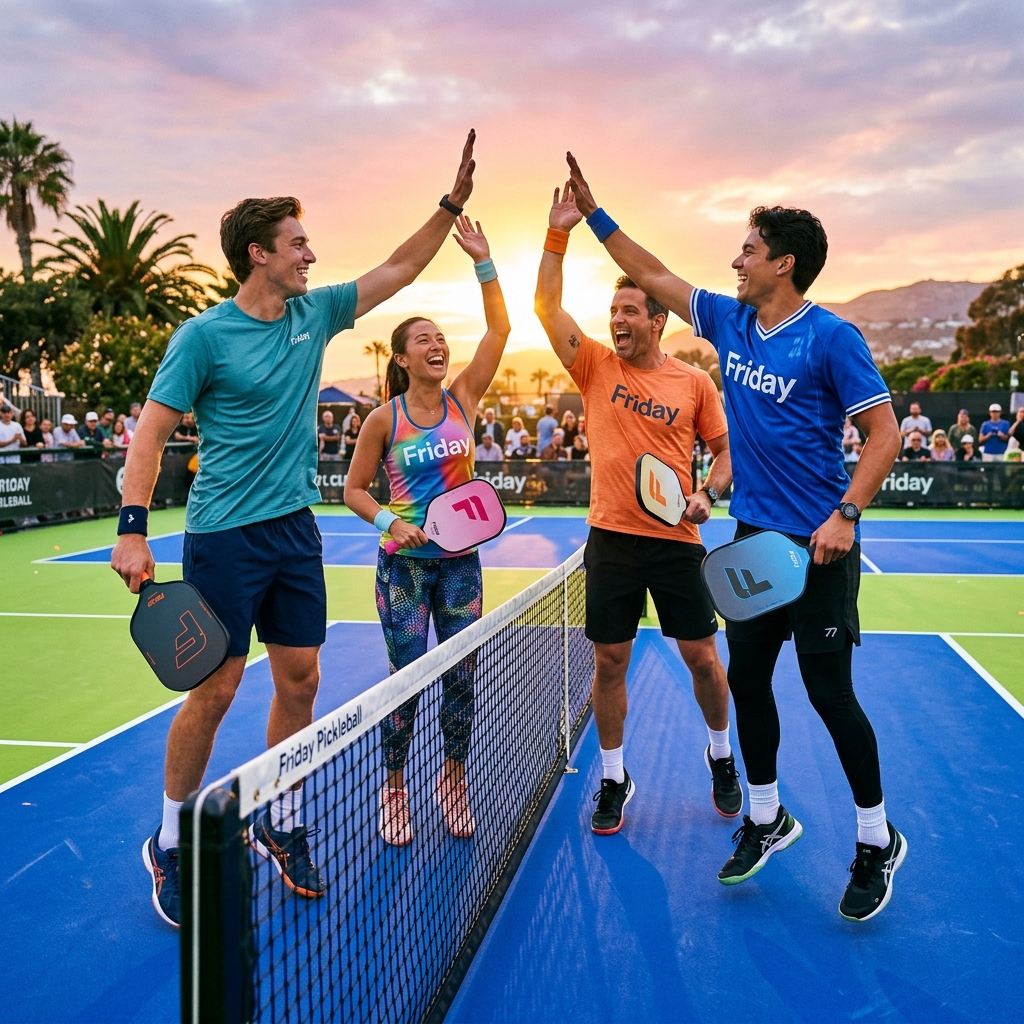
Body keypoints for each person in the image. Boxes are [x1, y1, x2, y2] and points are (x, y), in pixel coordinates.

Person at [109, 131, 479, 927]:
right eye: (297, 243)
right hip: (223, 537)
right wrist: (133, 529)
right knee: (215, 686)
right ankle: (172, 840)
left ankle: (279, 815)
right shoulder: (203, 337)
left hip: (292, 535)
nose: (310, 255)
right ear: (258, 254)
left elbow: (399, 269)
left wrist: (449, 207)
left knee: (301, 680)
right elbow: (150, 430)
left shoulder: (317, 315)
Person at [565, 154, 905, 920]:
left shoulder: (831, 339)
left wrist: (844, 515)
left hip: (817, 548)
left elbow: (883, 436)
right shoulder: (727, 320)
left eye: (748, 251)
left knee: (828, 693)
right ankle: (764, 817)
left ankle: (876, 839)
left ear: (783, 264)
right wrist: (594, 215)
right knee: (746, 683)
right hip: (754, 544)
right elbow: (650, 271)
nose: (735, 262)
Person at [536, 183, 741, 841]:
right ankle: (616, 776)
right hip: (611, 541)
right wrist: (558, 232)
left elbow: (724, 450)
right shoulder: (595, 367)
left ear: (658, 320)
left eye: (629, 310)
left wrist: (708, 492)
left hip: (677, 540)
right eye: (612, 310)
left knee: (703, 659)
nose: (616, 320)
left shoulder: (692, 382)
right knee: (609, 662)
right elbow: (545, 304)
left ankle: (720, 752)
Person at [344, 214, 509, 847]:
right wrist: (391, 522)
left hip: (460, 563)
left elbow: (499, 329)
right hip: (405, 570)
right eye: (424, 339)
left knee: (462, 679)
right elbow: (355, 490)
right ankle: (394, 790)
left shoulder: (464, 397)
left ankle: (454, 783)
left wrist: (483, 262)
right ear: (402, 357)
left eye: (441, 337)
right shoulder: (381, 421)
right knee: (407, 680)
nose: (437, 345)